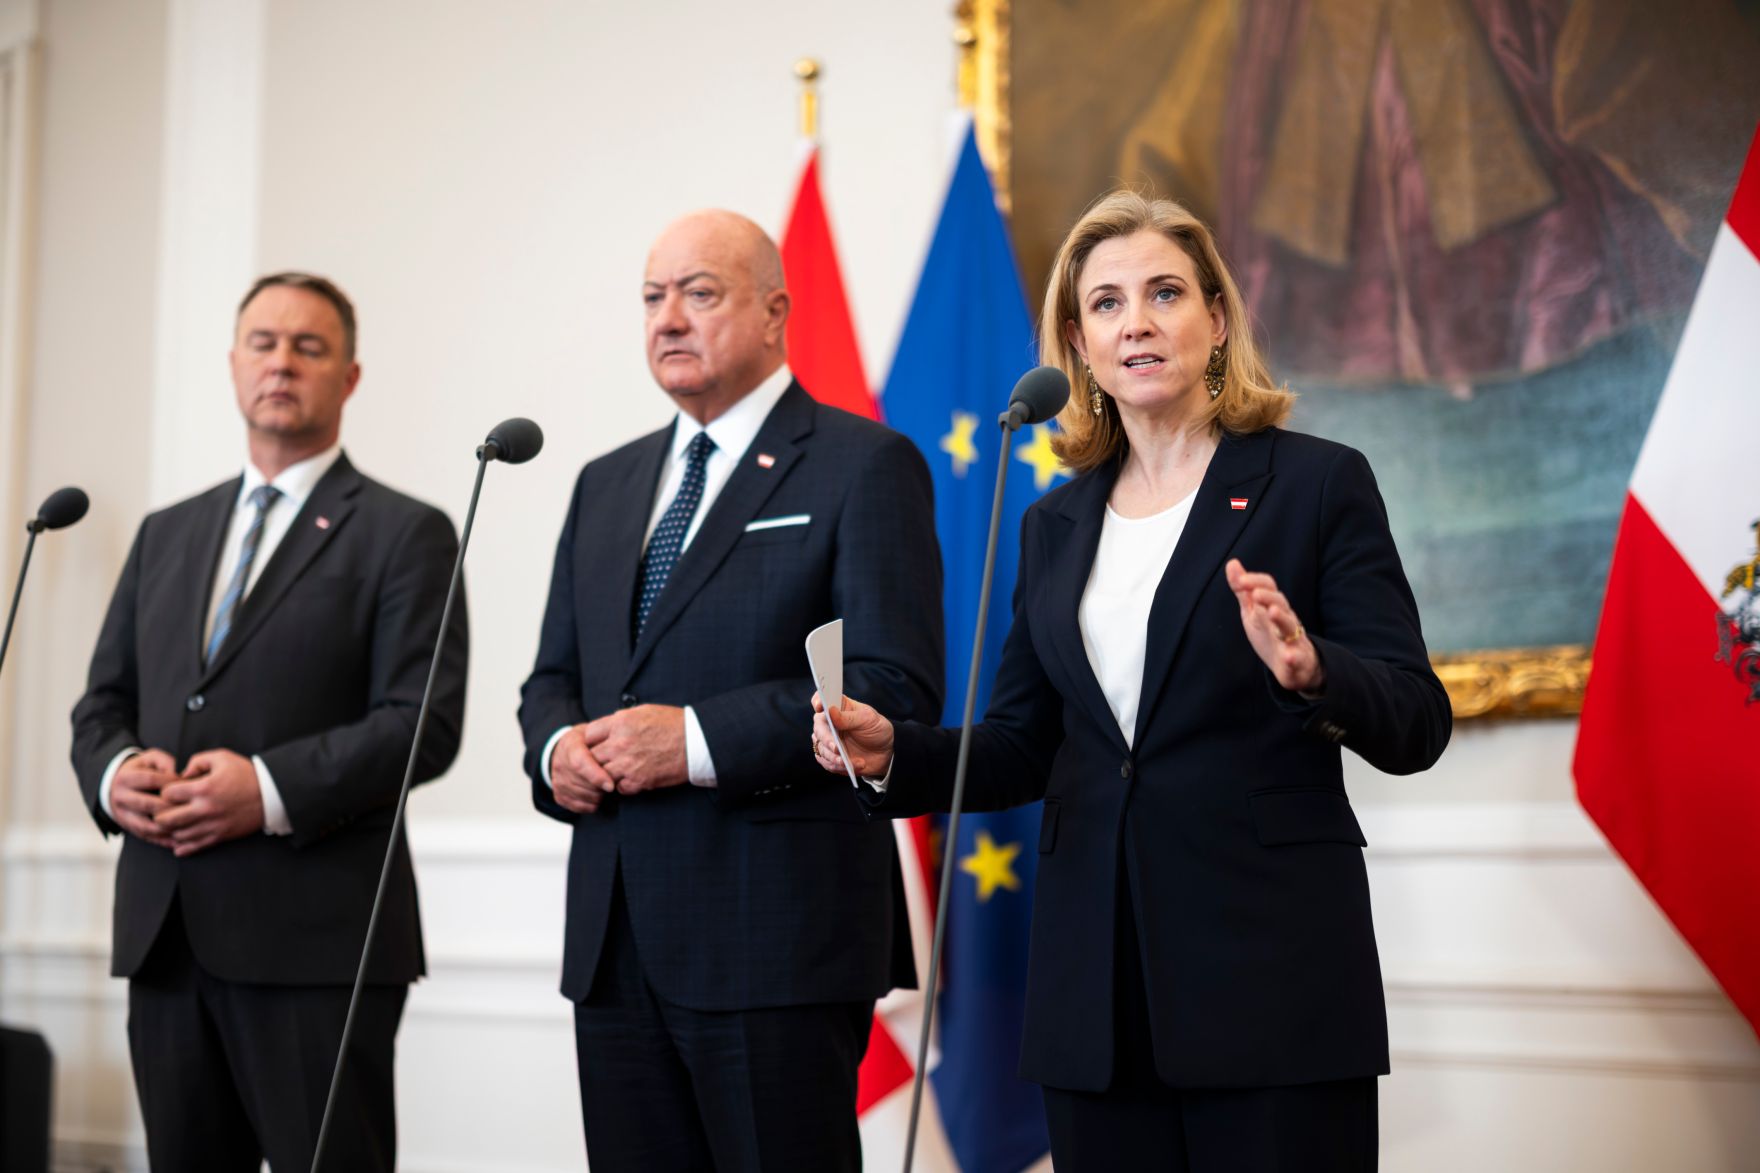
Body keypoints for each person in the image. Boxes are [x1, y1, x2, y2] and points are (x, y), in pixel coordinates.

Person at [814, 191, 1452, 1171]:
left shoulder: (1315, 483)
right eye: (1106, 303)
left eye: (1163, 293)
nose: (1137, 322)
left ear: (1216, 319)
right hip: (1094, 997)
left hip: (1267, 985)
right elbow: (1025, 743)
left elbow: (1415, 722)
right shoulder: (1052, 527)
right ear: (1077, 340)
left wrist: (1312, 669)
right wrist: (894, 751)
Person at [518, 209, 944, 1172]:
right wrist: (557, 751)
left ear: (775, 312)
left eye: (699, 293)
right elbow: (554, 677)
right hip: (615, 941)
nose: (670, 317)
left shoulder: (863, 464)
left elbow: (891, 686)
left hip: (776, 940)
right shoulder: (605, 484)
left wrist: (697, 740)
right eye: (653, 297)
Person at [70, 273, 469, 1173]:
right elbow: (102, 702)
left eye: (308, 346)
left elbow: (422, 723)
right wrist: (113, 770)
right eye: (263, 342)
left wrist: (268, 789)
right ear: (233, 364)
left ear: (350, 377)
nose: (281, 362)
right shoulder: (166, 533)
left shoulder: (407, 533)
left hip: (316, 945)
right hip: (165, 933)